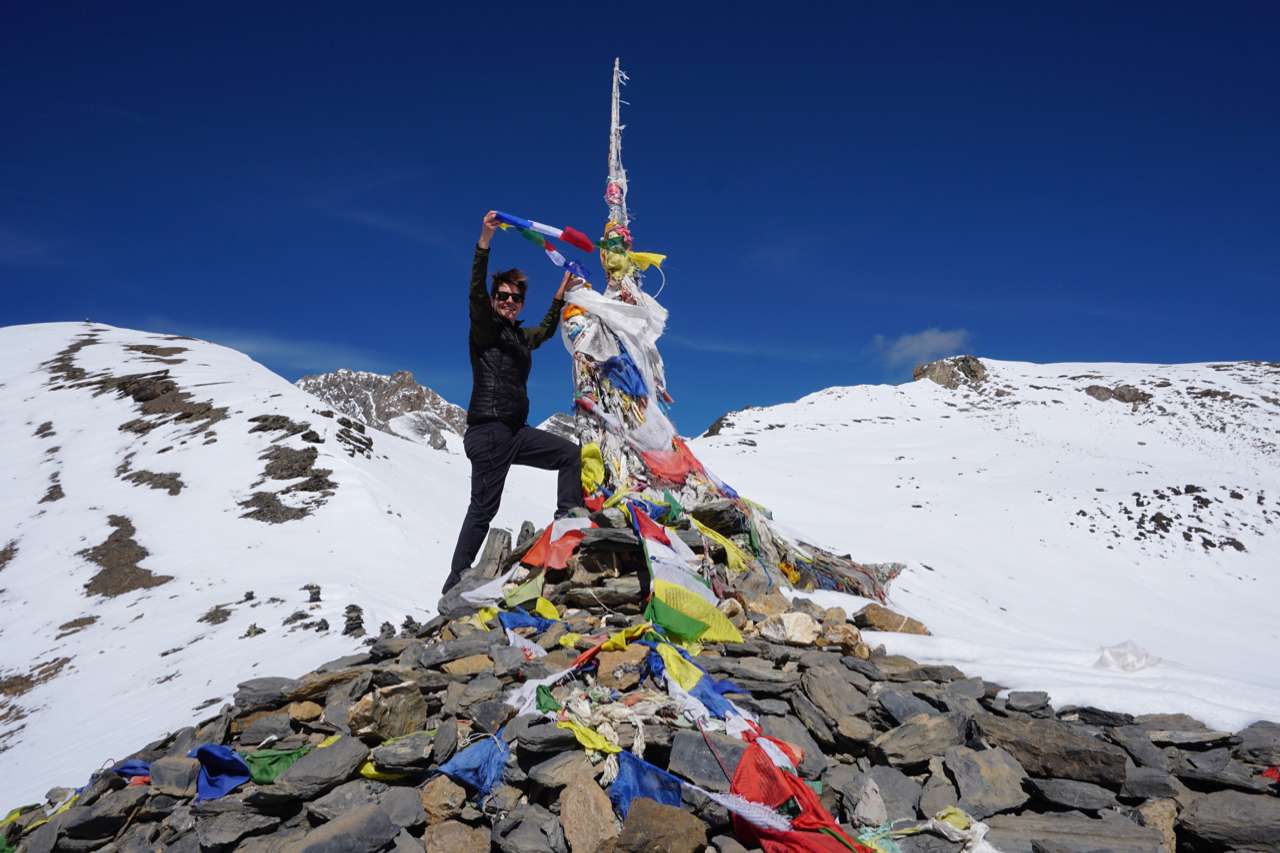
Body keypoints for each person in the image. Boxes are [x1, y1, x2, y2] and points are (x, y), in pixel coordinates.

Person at [443, 210, 584, 594]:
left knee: (568, 455)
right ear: (494, 299)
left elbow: (546, 332)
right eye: (502, 296)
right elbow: (474, 291)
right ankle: (455, 582)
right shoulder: (485, 328)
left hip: (515, 432)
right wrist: (484, 241)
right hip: (488, 431)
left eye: (515, 298)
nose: (508, 302)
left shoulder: (521, 337)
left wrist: (559, 294)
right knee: (484, 509)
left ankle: (568, 520)